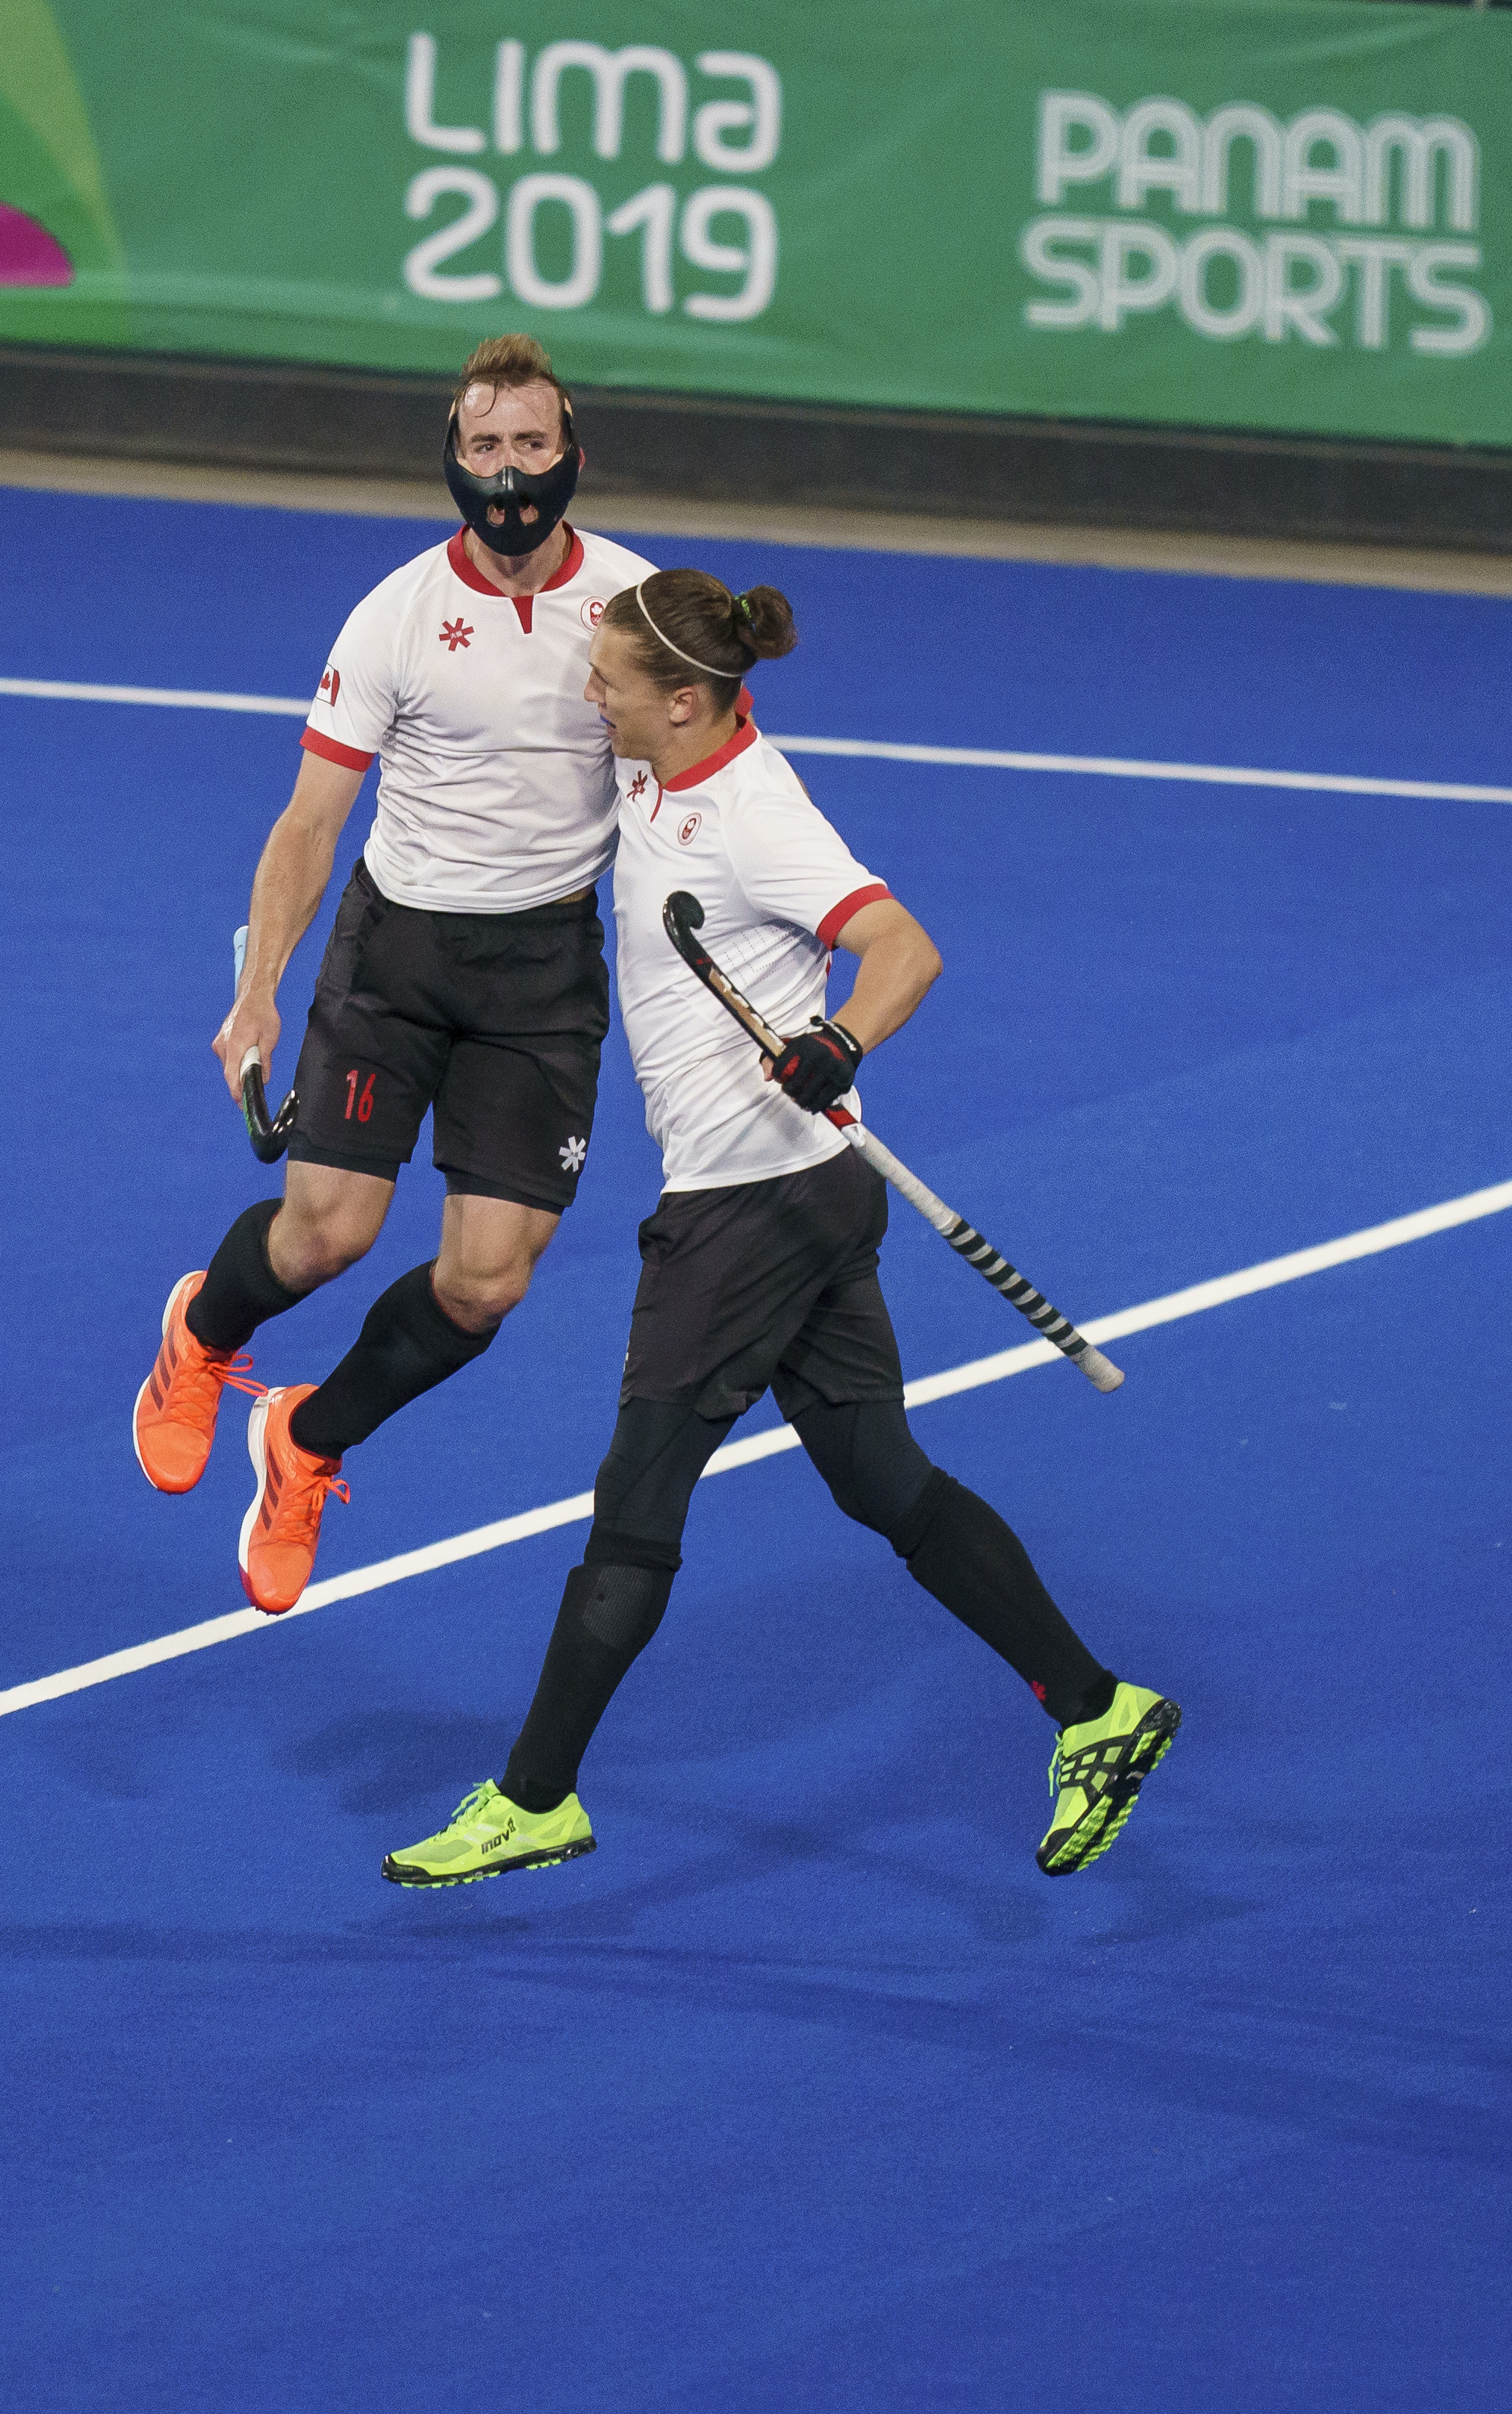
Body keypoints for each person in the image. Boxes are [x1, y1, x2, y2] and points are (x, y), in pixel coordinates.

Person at [383, 569, 1181, 1891]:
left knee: (635, 1508)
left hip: (746, 1213)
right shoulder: (662, 759)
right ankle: (1100, 1710)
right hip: (814, 1194)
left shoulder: (756, 816)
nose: (593, 701)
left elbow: (906, 949)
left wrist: (840, 1036)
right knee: (880, 1481)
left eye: (613, 689)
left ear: (685, 705)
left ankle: (534, 1800)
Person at [133, 333, 661, 1614]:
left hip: (541, 973)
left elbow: (693, 794)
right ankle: (200, 1338)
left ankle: (305, 1444)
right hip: (400, 953)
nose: (507, 472)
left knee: (484, 1285)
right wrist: (259, 989)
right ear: (452, 454)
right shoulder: (399, 612)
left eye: (530, 445)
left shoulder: (638, 611)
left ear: (573, 449)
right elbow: (311, 823)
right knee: (326, 1239)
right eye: (484, 447)